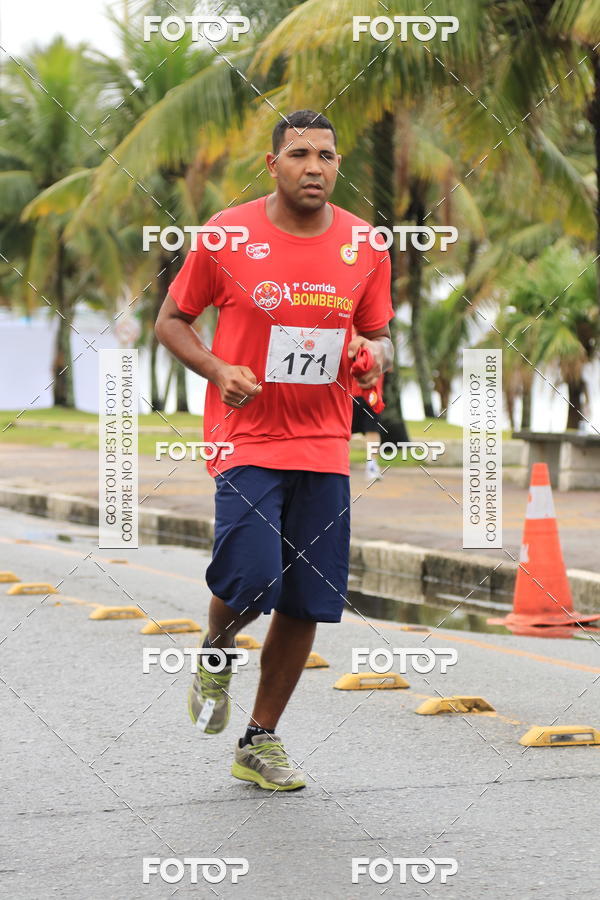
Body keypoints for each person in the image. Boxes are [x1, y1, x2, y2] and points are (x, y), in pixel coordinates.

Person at [155, 109, 394, 792]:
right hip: (248, 437)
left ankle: (260, 740)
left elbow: (378, 336)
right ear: (273, 164)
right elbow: (171, 321)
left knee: (307, 599)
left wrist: (372, 357)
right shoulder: (227, 234)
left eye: (326, 155)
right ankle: (217, 647)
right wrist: (217, 370)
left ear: (338, 165)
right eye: (298, 154)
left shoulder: (365, 243)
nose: (313, 167)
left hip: (324, 442)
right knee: (255, 578)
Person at [349, 324, 387, 481]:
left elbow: (386, 362)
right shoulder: (347, 328)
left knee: (372, 429)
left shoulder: (379, 333)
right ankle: (339, 465)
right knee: (344, 431)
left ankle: (372, 465)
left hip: (372, 394)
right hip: (349, 392)